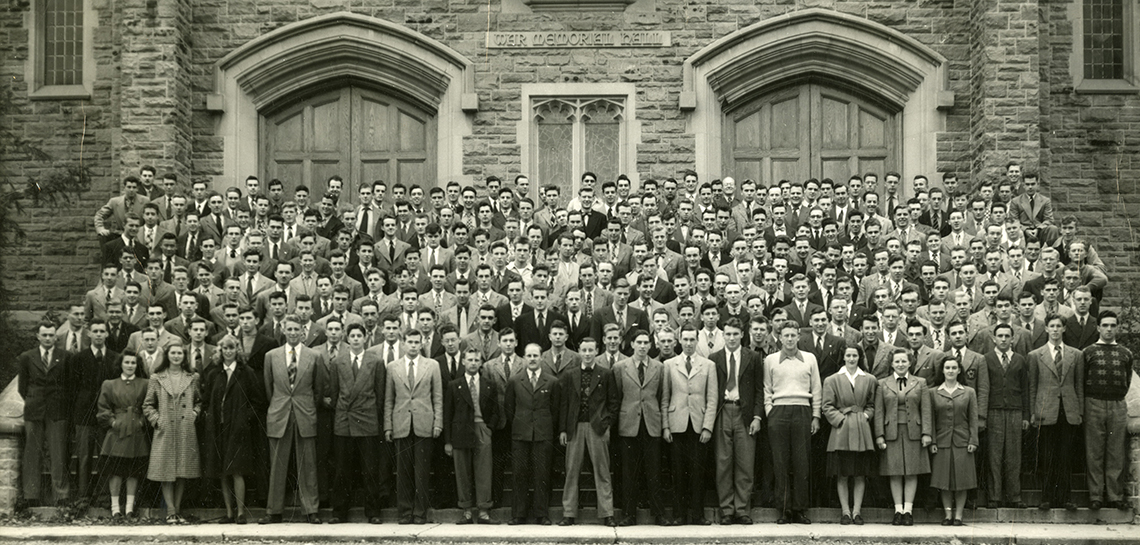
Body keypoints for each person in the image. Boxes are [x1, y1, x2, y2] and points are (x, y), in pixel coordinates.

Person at [260, 315, 328, 524]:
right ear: (283, 331)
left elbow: (318, 390)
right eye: (288, 329)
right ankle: (274, 511)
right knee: (277, 464)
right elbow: (268, 388)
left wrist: (306, 406)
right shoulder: (271, 356)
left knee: (307, 464)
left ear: (302, 332)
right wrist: (280, 405)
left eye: (296, 329)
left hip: (305, 412)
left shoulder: (313, 356)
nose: (292, 333)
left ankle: (311, 510)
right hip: (279, 412)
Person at [200, 335, 267, 524]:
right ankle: (229, 512)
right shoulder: (214, 373)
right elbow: (206, 401)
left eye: (231, 348)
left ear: (237, 350)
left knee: (236, 470)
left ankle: (240, 512)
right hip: (218, 428)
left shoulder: (246, 372)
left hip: (238, 429)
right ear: (220, 351)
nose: (228, 352)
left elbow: (257, 402)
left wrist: (244, 419)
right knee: (222, 471)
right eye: (225, 349)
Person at [328, 323, 388, 524]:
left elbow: (380, 395)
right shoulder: (337, 362)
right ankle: (339, 513)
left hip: (367, 419)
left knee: (370, 469)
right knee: (342, 470)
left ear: (365, 338)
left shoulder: (376, 361)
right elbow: (335, 394)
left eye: (359, 336)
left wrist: (371, 413)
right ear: (347, 338)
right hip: (344, 421)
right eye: (352, 336)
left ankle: (373, 512)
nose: (355, 339)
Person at [764, 321, 822, 525]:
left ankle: (799, 509)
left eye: (793, 335)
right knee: (780, 462)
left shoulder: (809, 359)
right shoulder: (770, 360)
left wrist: (815, 415)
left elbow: (816, 389)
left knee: (801, 462)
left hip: (802, 410)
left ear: (799, 337)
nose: (789, 339)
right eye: (785, 335)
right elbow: (766, 389)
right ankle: (784, 509)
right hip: (779, 411)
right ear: (780, 337)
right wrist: (770, 413)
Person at [557, 336, 619, 527]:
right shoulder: (570, 374)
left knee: (602, 471)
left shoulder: (606, 374)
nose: (587, 354)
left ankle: (607, 513)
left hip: (597, 428)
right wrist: (563, 430)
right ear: (579, 351)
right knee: (571, 470)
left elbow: (613, 403)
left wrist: (607, 425)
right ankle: (568, 513)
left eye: (591, 350)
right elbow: (564, 404)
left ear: (596, 351)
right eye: (584, 350)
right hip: (575, 427)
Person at [384, 328, 443, 525]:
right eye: (410, 342)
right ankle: (404, 512)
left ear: (422, 344)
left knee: (422, 472)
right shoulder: (393, 367)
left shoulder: (432, 365)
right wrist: (388, 426)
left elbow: (437, 397)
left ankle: (420, 512)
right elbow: (389, 399)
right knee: (403, 472)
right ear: (403, 343)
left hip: (424, 422)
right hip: (401, 423)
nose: (413, 345)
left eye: (417, 342)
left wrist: (438, 422)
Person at [1027, 314, 1084, 511]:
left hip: (1068, 411)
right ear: (1046, 329)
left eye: (1059, 326)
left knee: (1066, 456)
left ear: (1064, 329)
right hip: (1046, 410)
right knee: (1046, 456)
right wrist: (1033, 412)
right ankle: (1047, 498)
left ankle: (1065, 498)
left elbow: (1079, 386)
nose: (1055, 330)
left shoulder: (1076, 354)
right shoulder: (1036, 355)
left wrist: (1080, 412)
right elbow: (1032, 386)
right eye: (1052, 326)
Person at [663, 324, 718, 526]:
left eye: (692, 339)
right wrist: (666, 426)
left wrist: (707, 427)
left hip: (698, 423)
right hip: (677, 423)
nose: (688, 343)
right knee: (677, 472)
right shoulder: (669, 364)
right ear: (679, 340)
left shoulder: (708, 365)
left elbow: (712, 398)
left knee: (698, 472)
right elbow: (665, 398)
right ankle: (679, 514)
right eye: (685, 339)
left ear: (697, 340)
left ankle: (697, 515)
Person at [612, 330, 669, 526]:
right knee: (629, 472)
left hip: (651, 423)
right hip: (629, 424)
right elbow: (617, 396)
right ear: (632, 344)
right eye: (639, 342)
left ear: (651, 345)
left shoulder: (659, 367)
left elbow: (662, 395)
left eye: (646, 343)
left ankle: (658, 513)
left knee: (654, 470)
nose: (643, 346)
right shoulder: (620, 367)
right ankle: (629, 514)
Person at [143, 343, 201, 524]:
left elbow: (199, 401)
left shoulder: (192, 377)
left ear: (184, 356)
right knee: (165, 470)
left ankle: (177, 509)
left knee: (182, 470)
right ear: (167, 355)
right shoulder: (156, 378)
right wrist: (157, 420)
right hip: (166, 430)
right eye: (173, 353)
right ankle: (170, 510)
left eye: (180, 353)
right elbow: (147, 404)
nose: (176, 356)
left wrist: (194, 413)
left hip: (185, 429)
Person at [1081, 310, 1133, 511]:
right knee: (1094, 452)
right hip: (1094, 403)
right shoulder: (1089, 352)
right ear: (1098, 327)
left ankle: (1114, 495)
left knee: (1115, 451)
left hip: (1117, 404)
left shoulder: (1125, 353)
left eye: (1113, 325)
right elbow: (1083, 379)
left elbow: (1127, 380)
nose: (1109, 329)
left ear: (1117, 327)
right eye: (1105, 325)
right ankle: (1095, 495)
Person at [874, 350, 932, 526]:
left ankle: (908, 510)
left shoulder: (920, 383)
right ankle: (898, 510)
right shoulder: (882, 384)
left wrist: (927, 433)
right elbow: (878, 411)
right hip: (891, 432)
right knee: (895, 471)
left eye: (903, 361)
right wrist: (879, 435)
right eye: (897, 361)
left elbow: (926, 409)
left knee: (912, 471)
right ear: (891, 364)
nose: (900, 364)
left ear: (909, 363)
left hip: (913, 432)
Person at [821, 346, 878, 525]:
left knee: (860, 474)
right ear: (843, 357)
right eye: (848, 355)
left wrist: (865, 416)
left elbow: (872, 403)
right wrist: (841, 420)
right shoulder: (832, 379)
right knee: (842, 474)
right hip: (841, 431)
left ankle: (857, 512)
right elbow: (827, 406)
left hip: (862, 429)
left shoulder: (869, 379)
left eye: (855, 355)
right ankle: (845, 512)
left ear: (859, 357)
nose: (852, 359)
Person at [504, 343, 560, 525]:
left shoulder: (551, 381)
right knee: (519, 474)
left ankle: (541, 514)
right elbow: (509, 408)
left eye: (536, 355)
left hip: (543, 434)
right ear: (524, 358)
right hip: (521, 434)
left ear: (542, 357)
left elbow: (555, 409)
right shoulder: (514, 380)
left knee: (541, 474)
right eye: (529, 356)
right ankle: (518, 514)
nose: (533, 359)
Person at [17, 323, 72, 506]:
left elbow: (69, 384)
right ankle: (31, 495)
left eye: (51, 335)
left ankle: (61, 495)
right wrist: (34, 399)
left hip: (57, 410)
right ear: (38, 336)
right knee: (32, 452)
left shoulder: (65, 357)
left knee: (58, 453)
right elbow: (22, 387)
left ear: (56, 337)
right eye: (44, 335)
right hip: (34, 410)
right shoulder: (27, 357)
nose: (48, 338)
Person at [443, 348, 500, 525]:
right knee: (462, 471)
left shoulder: (489, 384)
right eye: (470, 360)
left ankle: (483, 510)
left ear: (481, 362)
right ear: (463, 362)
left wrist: (488, 428)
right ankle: (466, 510)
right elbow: (448, 414)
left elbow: (495, 411)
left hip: (482, 428)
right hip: (461, 431)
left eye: (476, 360)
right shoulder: (454, 385)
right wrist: (448, 441)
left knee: (484, 470)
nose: (473, 363)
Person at [68, 319, 120, 504]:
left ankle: (105, 497)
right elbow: (71, 389)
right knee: (84, 457)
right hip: (84, 415)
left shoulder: (115, 358)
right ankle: (84, 496)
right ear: (89, 334)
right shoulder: (78, 358)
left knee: (107, 456)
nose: (98, 334)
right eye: (95, 331)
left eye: (102, 331)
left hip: (107, 414)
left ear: (107, 334)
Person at [96, 351, 149, 518]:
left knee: (133, 471)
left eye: (133, 363)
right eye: (127, 362)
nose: (130, 366)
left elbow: (149, 405)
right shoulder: (110, 384)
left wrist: (141, 421)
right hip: (117, 431)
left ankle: (129, 508)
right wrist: (112, 422)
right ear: (121, 364)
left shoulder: (145, 383)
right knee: (116, 470)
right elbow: (103, 407)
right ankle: (115, 508)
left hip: (136, 430)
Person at [982, 323, 1030, 508]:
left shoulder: (1020, 359)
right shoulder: (986, 359)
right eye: (999, 336)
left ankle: (1014, 496)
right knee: (994, 455)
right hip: (993, 411)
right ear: (994, 338)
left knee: (1013, 455)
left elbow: (1025, 389)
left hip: (1015, 411)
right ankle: (994, 496)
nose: (1003, 339)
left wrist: (1026, 415)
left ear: (1013, 339)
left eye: (1006, 336)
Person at [928, 354, 979, 526]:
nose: (950, 371)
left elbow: (973, 419)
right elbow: (931, 420)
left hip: (963, 441)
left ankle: (958, 516)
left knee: (961, 481)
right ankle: (947, 515)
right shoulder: (933, 392)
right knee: (944, 480)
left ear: (959, 370)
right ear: (942, 371)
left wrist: (973, 440)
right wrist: (933, 442)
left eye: (953, 368)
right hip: (942, 441)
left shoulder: (969, 392)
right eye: (947, 368)